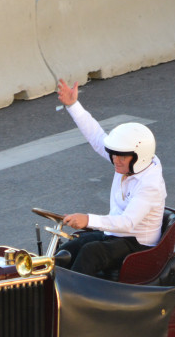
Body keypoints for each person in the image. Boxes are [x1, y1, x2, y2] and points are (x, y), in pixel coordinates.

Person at [55, 78, 167, 277]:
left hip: (139, 245)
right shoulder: (126, 162)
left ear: (138, 156)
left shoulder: (150, 185)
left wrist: (88, 219)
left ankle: (71, 300)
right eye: (113, 154)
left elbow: (127, 223)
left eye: (121, 156)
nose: (115, 160)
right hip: (117, 235)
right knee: (72, 247)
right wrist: (73, 105)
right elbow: (97, 138)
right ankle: (47, 287)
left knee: (91, 253)